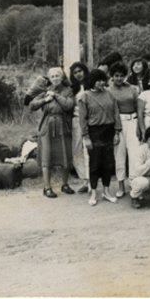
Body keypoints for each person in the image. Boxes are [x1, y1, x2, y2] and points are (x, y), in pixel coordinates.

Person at [78, 69, 123, 206]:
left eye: (103, 80)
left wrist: (116, 132)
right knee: (94, 163)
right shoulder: (84, 96)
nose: (101, 83)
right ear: (92, 81)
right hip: (94, 132)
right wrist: (86, 137)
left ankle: (106, 191)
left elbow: (116, 114)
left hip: (109, 131)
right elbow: (83, 119)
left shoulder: (109, 94)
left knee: (108, 163)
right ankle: (93, 192)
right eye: (98, 80)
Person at [29, 67, 75, 198]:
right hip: (47, 127)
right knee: (47, 156)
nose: (55, 79)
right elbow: (32, 105)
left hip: (62, 125)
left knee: (64, 155)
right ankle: (47, 187)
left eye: (57, 76)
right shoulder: (45, 91)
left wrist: (55, 95)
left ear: (62, 77)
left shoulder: (68, 91)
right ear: (49, 78)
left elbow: (68, 105)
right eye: (52, 76)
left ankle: (65, 184)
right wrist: (44, 100)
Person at [108, 62, 142, 198]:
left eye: (122, 76)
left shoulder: (132, 88)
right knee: (119, 155)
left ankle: (134, 184)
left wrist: (139, 126)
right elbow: (111, 111)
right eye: (116, 76)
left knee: (134, 155)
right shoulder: (108, 91)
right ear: (112, 76)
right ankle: (121, 186)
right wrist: (115, 131)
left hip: (133, 121)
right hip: (118, 124)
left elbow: (138, 108)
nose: (119, 78)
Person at [69, 62, 90, 193]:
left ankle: (92, 180)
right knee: (76, 150)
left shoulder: (92, 84)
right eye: (75, 72)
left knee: (89, 150)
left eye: (80, 71)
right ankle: (84, 180)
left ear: (85, 71)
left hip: (90, 121)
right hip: (76, 120)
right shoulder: (72, 88)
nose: (78, 74)